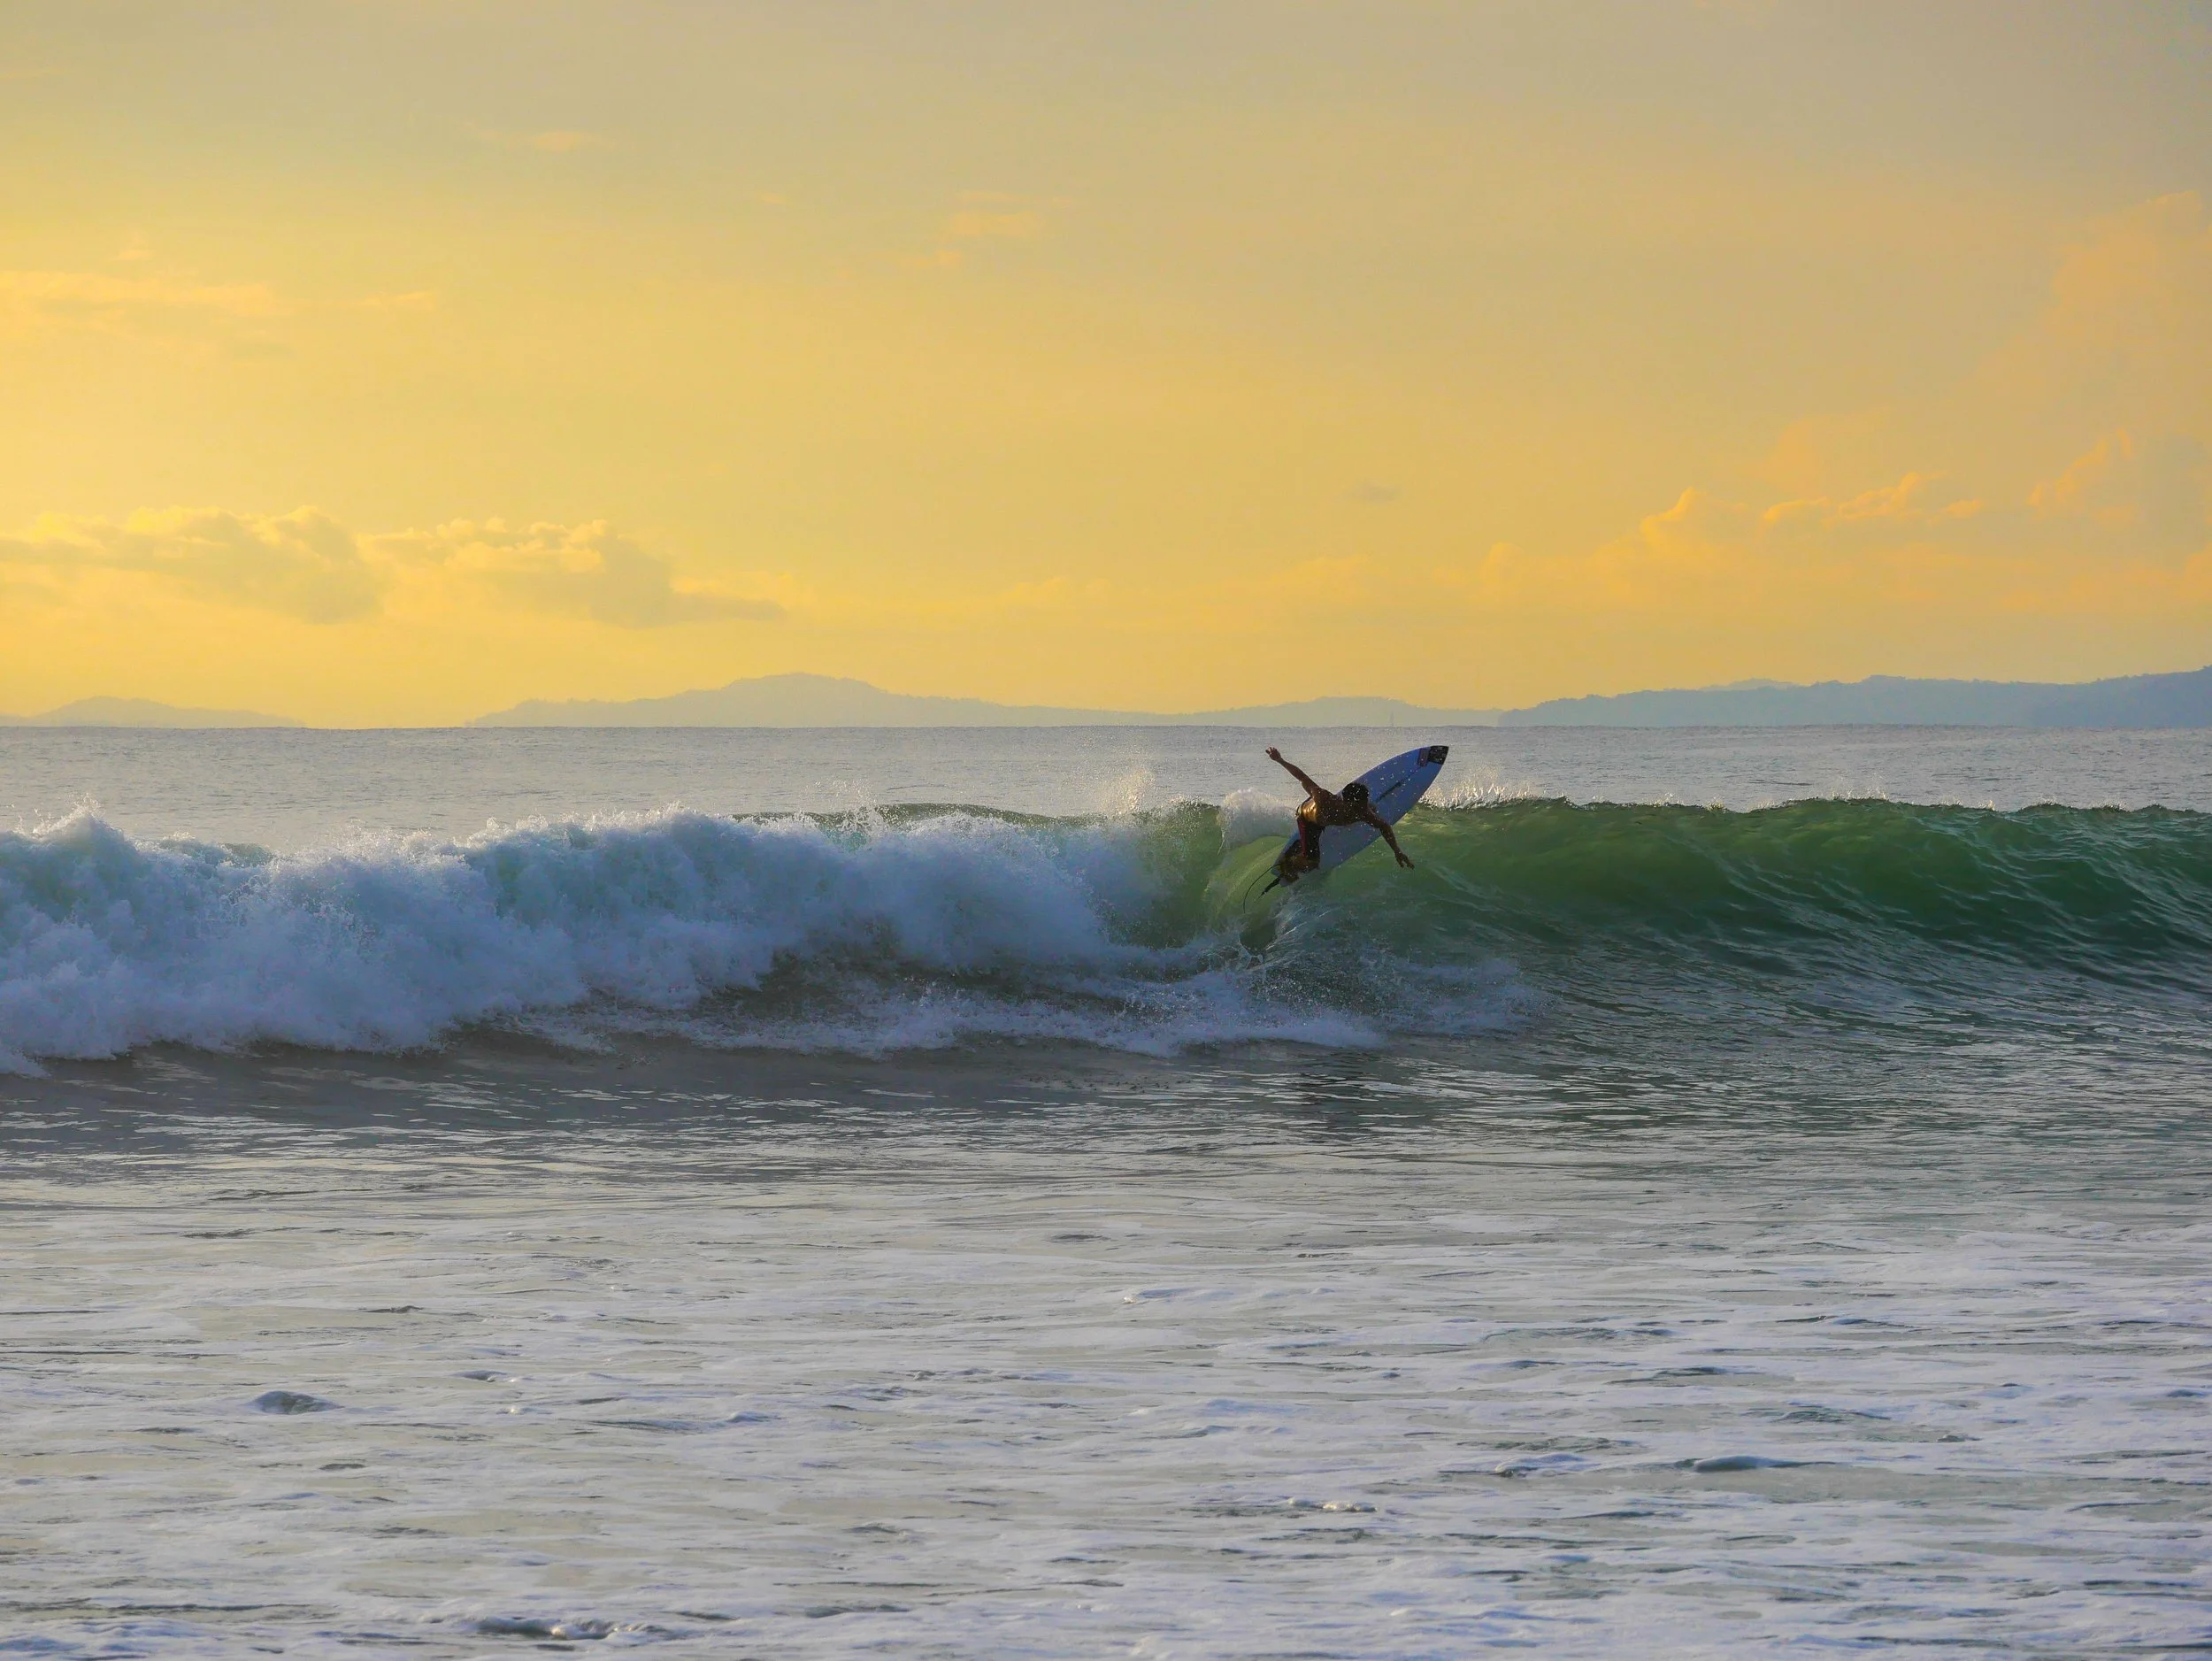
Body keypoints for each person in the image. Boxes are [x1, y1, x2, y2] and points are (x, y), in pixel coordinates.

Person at [1266, 745, 1414, 884]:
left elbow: (1384, 827)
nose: (1363, 809)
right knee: (1312, 864)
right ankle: (1290, 861)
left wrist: (1397, 851)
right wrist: (1280, 760)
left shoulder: (1361, 811)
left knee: (1371, 811)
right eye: (1359, 805)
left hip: (1333, 817)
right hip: (1309, 820)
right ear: (1347, 802)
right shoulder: (1323, 799)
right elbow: (1302, 778)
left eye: (1364, 803)